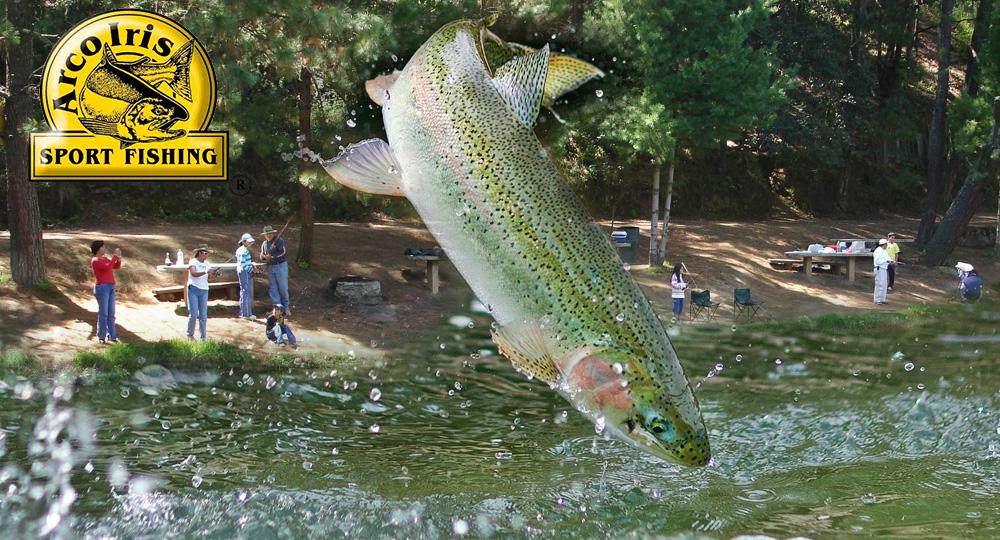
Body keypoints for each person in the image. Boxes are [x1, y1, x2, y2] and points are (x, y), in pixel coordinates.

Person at [90, 240, 122, 344]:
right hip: (102, 288)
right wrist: (115, 257)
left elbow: (115, 266)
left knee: (111, 313)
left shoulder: (104, 258)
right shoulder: (95, 260)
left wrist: (118, 259)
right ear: (97, 249)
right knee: (104, 313)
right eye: (102, 247)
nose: (104, 249)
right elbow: (107, 267)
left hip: (111, 287)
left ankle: (112, 336)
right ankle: (101, 337)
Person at [260, 225, 290, 314]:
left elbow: (283, 252)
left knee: (283, 287)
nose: (268, 235)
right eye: (267, 234)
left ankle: (286, 307)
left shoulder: (279, 241)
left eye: (270, 233)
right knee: (273, 288)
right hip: (270, 267)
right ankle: (277, 309)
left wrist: (272, 257)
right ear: (264, 235)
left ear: (273, 233)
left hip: (280, 266)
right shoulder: (264, 244)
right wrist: (263, 257)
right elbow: (261, 255)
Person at [187, 245, 213, 341]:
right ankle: (190, 334)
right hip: (193, 289)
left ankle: (203, 337)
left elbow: (210, 278)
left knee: (203, 315)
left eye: (207, 253)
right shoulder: (193, 262)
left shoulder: (207, 263)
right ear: (200, 253)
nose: (207, 255)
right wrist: (205, 271)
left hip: (204, 290)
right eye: (205, 253)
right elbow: (193, 273)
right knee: (193, 314)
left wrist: (213, 274)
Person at [235, 233, 256, 320]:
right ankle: (247, 314)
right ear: (243, 242)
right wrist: (251, 270)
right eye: (248, 241)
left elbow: (245, 262)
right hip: (244, 272)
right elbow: (244, 264)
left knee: (243, 291)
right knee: (246, 292)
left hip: (241, 271)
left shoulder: (240, 250)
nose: (249, 243)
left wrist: (251, 265)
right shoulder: (244, 250)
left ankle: (243, 312)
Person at [872, 238, 890, 305]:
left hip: (884, 268)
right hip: (879, 269)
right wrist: (886, 261)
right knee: (880, 284)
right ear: (884, 244)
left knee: (884, 284)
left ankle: (882, 299)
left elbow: (887, 258)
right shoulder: (878, 251)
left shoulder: (884, 250)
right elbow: (877, 261)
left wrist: (891, 261)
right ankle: (877, 299)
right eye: (886, 244)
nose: (887, 245)